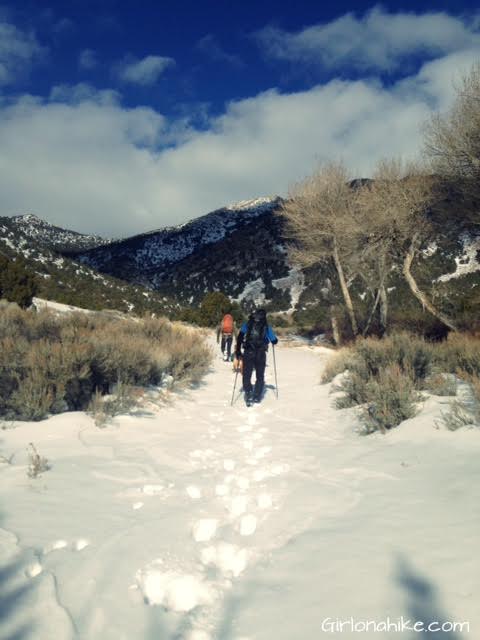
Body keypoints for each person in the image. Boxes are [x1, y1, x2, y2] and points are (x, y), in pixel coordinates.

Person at [235, 308, 278, 406]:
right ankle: (257, 395)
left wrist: (238, 350)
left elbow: (240, 337)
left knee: (246, 373)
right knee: (260, 374)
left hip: (248, 351)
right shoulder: (266, 326)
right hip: (260, 353)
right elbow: (274, 340)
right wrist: (270, 339)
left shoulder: (248, 323)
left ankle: (248, 392)